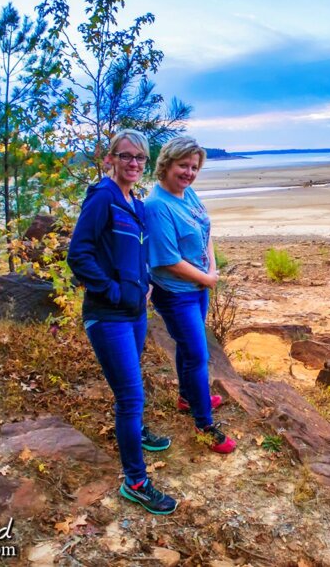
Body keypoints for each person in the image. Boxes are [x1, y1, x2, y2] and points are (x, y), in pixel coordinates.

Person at [66, 129, 176, 515]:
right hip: (108, 314)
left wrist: (144, 283)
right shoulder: (103, 198)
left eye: (140, 158)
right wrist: (113, 291)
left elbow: (139, 253)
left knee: (131, 386)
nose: (133, 163)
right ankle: (136, 482)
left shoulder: (137, 203)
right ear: (110, 158)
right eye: (126, 156)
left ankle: (137, 433)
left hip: (134, 313)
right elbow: (78, 255)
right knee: (130, 397)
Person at [145, 135, 236, 455]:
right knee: (198, 354)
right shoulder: (157, 206)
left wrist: (211, 269)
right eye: (183, 166)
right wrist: (207, 279)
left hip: (198, 287)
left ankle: (187, 396)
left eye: (194, 167)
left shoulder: (188, 193)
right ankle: (204, 423)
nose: (189, 172)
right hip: (176, 293)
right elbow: (167, 259)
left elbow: (205, 230)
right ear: (166, 165)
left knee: (188, 347)